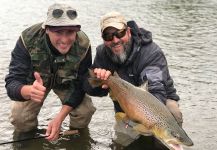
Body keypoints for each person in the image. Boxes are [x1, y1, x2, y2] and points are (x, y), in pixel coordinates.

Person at [85, 11, 183, 149]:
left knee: (171, 118)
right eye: (108, 36)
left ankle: (167, 138)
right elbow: (92, 90)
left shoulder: (151, 53)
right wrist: (99, 80)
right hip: (125, 108)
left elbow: (155, 87)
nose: (115, 40)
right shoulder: (103, 53)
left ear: (128, 32)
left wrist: (150, 122)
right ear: (103, 38)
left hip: (160, 102)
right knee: (121, 144)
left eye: (119, 33)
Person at [5, 3, 96, 141]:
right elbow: (12, 82)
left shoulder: (84, 44)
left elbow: (79, 85)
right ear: (46, 29)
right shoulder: (27, 39)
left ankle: (76, 136)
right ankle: (28, 138)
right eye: (58, 32)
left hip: (67, 82)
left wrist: (59, 118)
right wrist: (27, 90)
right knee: (19, 117)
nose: (64, 40)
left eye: (70, 32)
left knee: (85, 111)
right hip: (35, 85)